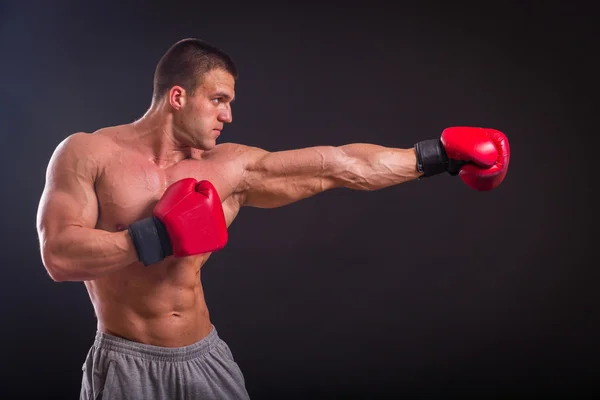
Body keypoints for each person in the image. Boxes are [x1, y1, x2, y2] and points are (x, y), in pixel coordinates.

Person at [36, 38, 510, 400]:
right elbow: (58, 255)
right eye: (219, 100)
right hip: (124, 368)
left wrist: (438, 155)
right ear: (178, 96)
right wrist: (156, 236)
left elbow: (341, 164)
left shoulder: (230, 167)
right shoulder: (88, 153)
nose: (229, 114)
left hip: (203, 357)